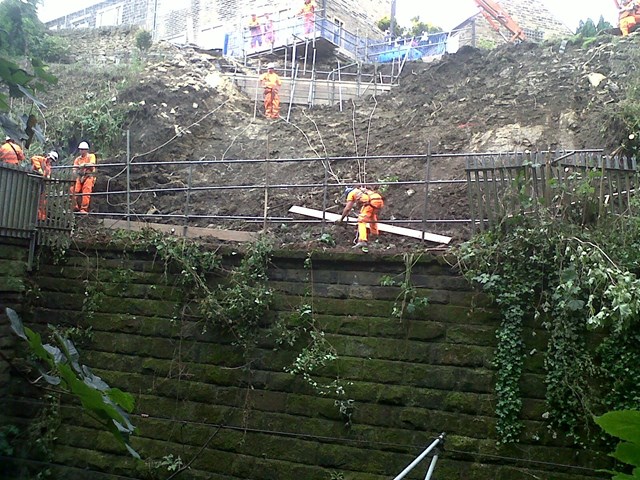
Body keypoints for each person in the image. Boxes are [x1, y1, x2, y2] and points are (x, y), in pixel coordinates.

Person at [337, 186, 384, 253]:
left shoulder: (351, 194)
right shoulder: (360, 191)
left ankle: (362, 240)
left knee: (361, 221)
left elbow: (348, 208)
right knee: (372, 216)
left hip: (371, 202)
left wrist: (341, 219)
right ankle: (374, 234)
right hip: (378, 201)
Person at [31, 151, 58, 220]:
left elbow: (48, 173)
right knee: (33, 199)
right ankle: (36, 215)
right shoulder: (41, 159)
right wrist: (39, 168)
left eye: (52, 160)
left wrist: (48, 177)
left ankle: (41, 217)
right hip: (34, 180)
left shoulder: (48, 166)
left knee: (42, 200)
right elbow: (33, 158)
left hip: (42, 182)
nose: (50, 160)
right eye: (50, 159)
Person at [72, 141, 97, 213]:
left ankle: (83, 209)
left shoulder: (91, 156)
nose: (81, 151)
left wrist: (84, 164)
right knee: (73, 190)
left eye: (83, 149)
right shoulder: (78, 159)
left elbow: (92, 164)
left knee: (86, 191)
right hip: (80, 176)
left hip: (89, 176)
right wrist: (76, 174)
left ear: (86, 150)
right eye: (80, 149)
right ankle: (75, 206)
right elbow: (74, 169)